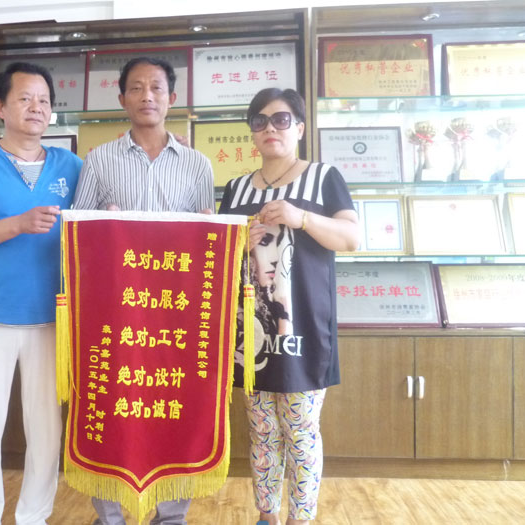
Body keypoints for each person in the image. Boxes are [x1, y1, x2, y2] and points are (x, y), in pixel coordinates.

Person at [73, 56, 215, 525]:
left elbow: (207, 243)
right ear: (122, 99)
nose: (147, 96)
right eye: (136, 88)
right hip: (116, 311)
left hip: (176, 312)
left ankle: (171, 515)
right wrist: (105, 225)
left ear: (171, 99)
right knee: (112, 404)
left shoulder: (197, 165)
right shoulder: (99, 160)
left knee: (177, 402)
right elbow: (77, 236)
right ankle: (110, 516)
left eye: (156, 87)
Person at [0, 62, 82, 525]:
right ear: (1, 107)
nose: (37, 107)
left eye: (44, 100)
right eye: (25, 98)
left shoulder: (71, 166)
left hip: (51, 315)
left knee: (46, 428)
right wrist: (19, 224)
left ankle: (34, 517)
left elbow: (96, 225)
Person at [219, 87, 359, 525]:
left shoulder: (323, 177)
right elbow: (218, 259)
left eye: (281, 119)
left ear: (299, 128)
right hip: (251, 331)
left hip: (304, 329)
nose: (270, 128)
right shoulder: (236, 188)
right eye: (259, 121)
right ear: (252, 132)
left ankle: (300, 518)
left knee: (300, 431)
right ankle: (267, 516)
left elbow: (351, 238)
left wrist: (302, 218)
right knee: (261, 430)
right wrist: (238, 245)